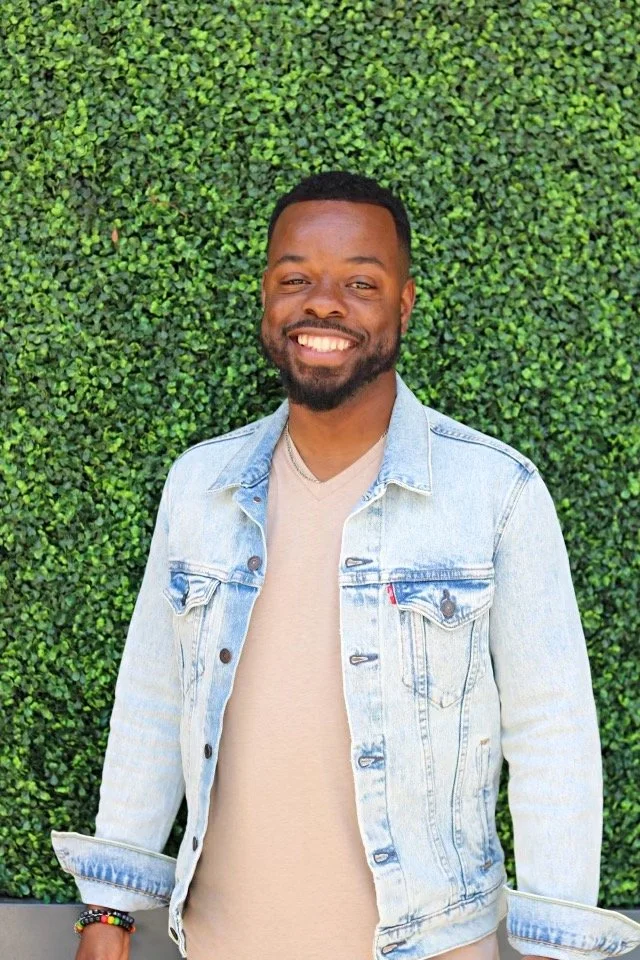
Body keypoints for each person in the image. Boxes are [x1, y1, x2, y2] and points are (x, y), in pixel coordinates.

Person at [51, 171, 640, 960]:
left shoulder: (495, 491)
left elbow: (551, 732)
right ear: (267, 295)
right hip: (222, 944)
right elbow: (153, 701)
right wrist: (110, 912)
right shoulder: (201, 485)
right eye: (296, 279)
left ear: (405, 303)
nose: (323, 304)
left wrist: (557, 949)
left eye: (360, 283)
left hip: (431, 946)